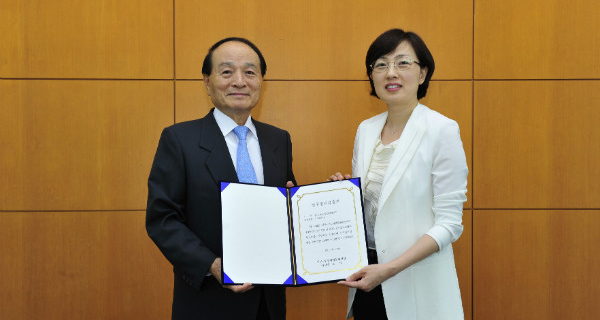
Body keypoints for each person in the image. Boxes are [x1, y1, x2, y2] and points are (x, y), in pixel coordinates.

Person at [146, 37, 296, 320]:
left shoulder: (279, 140)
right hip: (208, 303)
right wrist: (213, 265)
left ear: (262, 81)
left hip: (269, 304)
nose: (239, 81)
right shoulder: (179, 140)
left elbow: (287, 208)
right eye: (227, 71)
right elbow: (162, 219)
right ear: (207, 81)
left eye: (250, 72)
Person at [329, 28, 468, 319]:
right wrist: (343, 195)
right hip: (367, 277)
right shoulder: (366, 130)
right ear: (372, 77)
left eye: (403, 63)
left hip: (414, 281)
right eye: (381, 65)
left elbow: (449, 224)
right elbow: (371, 207)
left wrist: (390, 268)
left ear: (422, 74)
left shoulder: (441, 129)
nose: (391, 72)